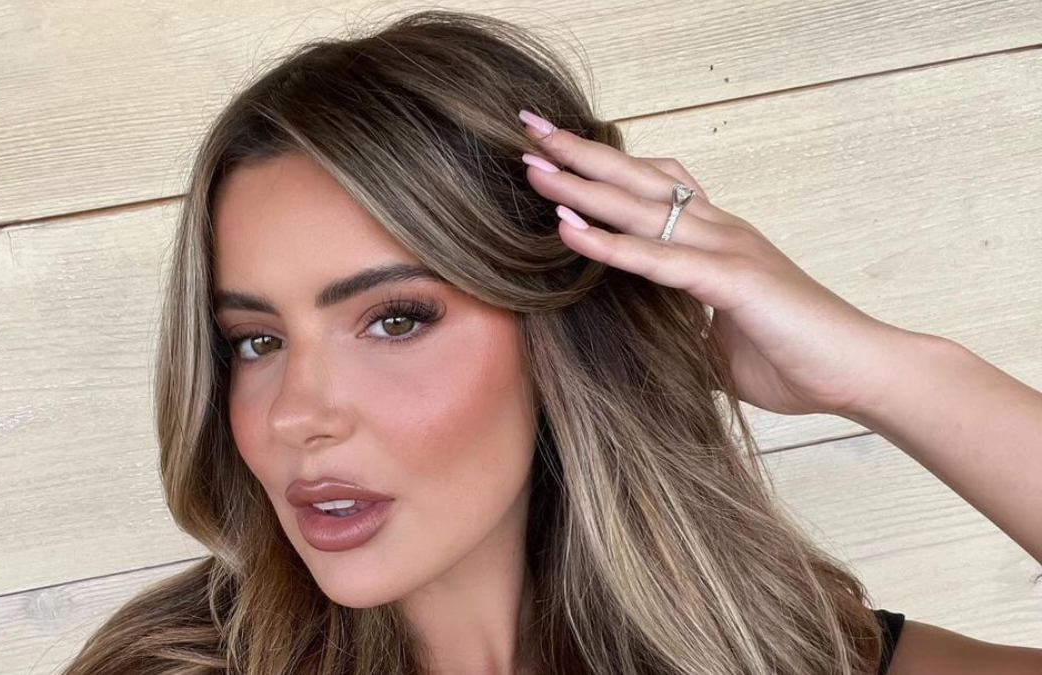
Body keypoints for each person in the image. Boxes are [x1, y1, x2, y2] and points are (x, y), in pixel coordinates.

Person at [60, 9, 1042, 675]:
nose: (297, 416)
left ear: (557, 335)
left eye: (395, 319)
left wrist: (892, 373)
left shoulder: (783, 655)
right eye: (255, 340)